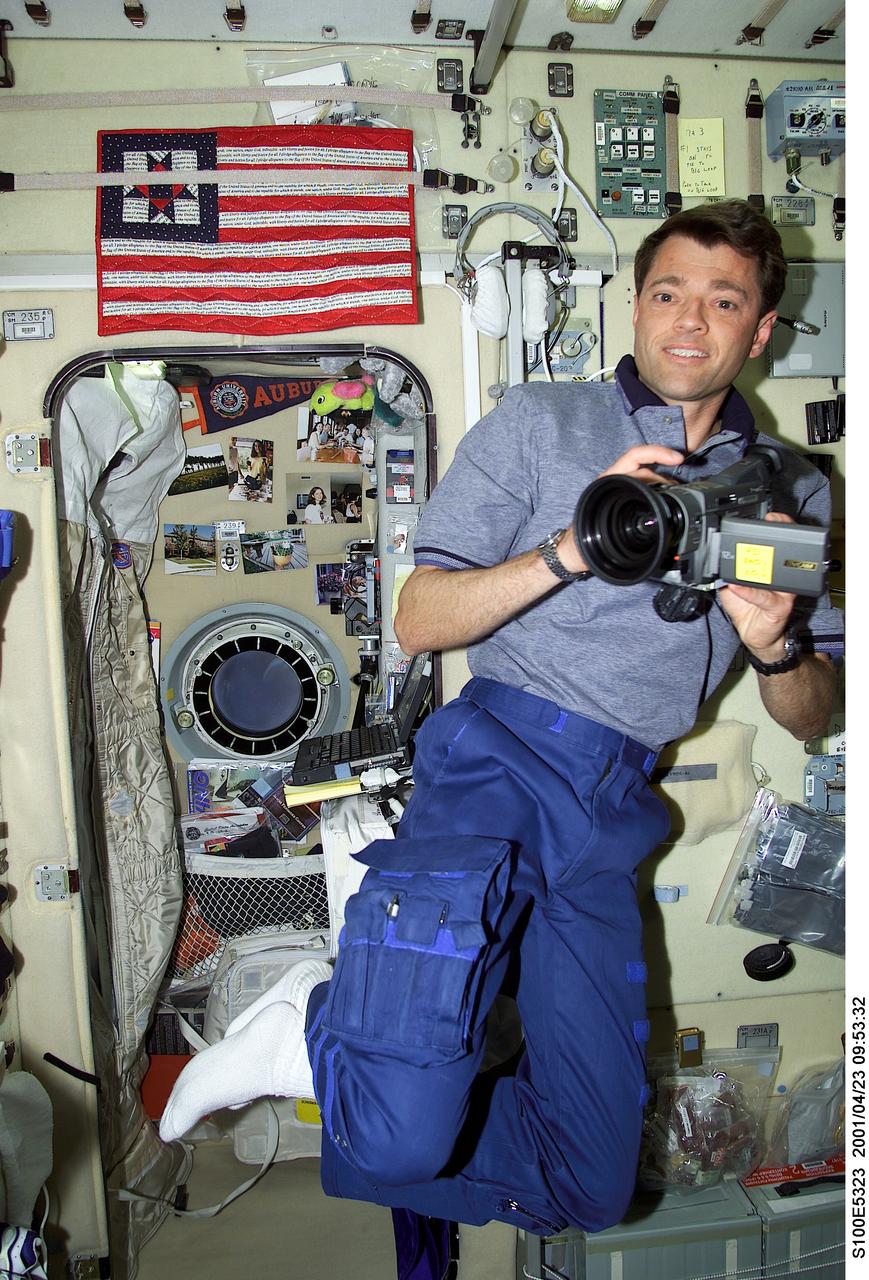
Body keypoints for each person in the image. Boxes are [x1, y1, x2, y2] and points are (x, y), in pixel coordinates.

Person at [159, 202, 842, 1244]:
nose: (687, 323)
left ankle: (337, 1052)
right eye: (666, 292)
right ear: (634, 301)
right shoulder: (539, 420)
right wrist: (569, 546)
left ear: (760, 332)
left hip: (613, 804)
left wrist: (773, 643)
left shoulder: (791, 488)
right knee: (394, 1138)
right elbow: (420, 616)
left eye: (721, 301)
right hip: (494, 765)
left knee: (590, 1187)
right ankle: (316, 1034)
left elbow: (812, 714)